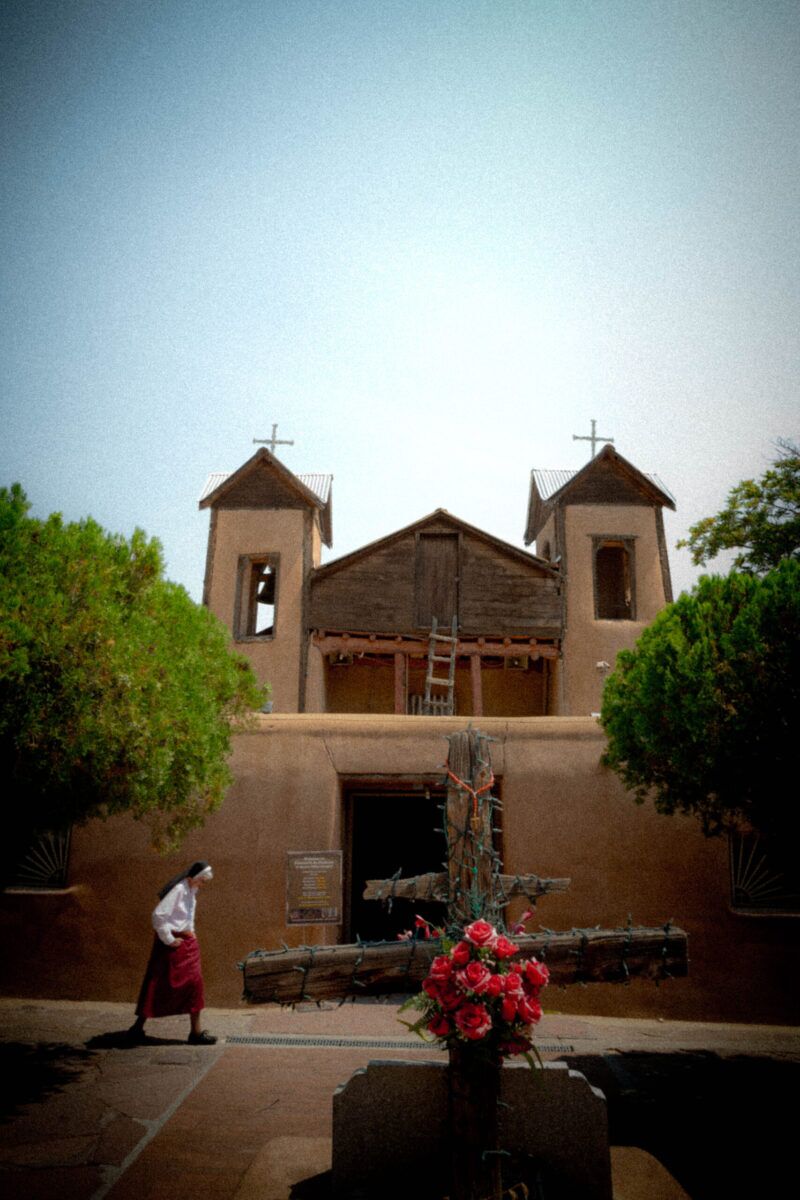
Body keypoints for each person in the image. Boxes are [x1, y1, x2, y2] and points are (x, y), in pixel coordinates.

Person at [125, 860, 217, 1045]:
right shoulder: (179, 890)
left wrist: (192, 935)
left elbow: (186, 917)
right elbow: (158, 915)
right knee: (157, 983)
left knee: (194, 986)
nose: (202, 884)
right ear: (194, 877)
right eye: (202, 881)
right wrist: (169, 939)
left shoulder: (191, 891)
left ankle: (195, 1032)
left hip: (188, 944)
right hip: (174, 944)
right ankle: (137, 1028)